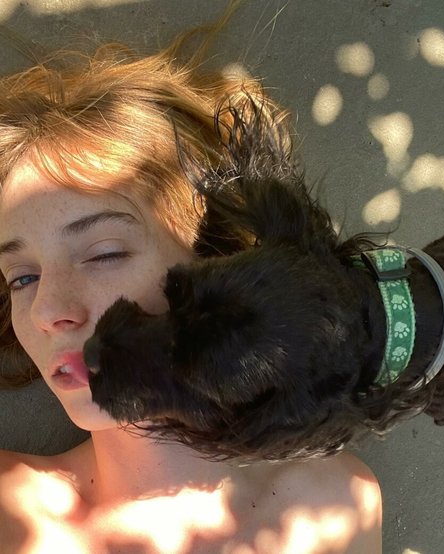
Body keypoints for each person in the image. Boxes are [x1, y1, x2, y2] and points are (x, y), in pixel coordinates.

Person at [0, 15, 382, 554]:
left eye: (104, 254)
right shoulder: (12, 513)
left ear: (221, 263)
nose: (47, 309)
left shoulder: (337, 505)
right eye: (22, 277)